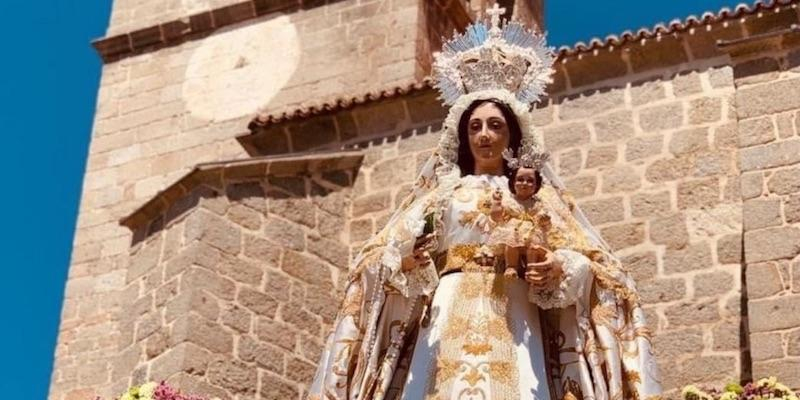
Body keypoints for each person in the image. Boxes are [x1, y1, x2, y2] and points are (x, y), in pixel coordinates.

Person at [308, 5, 662, 400]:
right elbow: (375, 260)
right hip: (447, 309)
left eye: (495, 125)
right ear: (462, 135)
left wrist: (559, 266)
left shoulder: (536, 199)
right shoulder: (441, 195)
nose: (484, 135)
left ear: (512, 134)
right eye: (475, 126)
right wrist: (405, 260)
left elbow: (600, 268)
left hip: (514, 314)